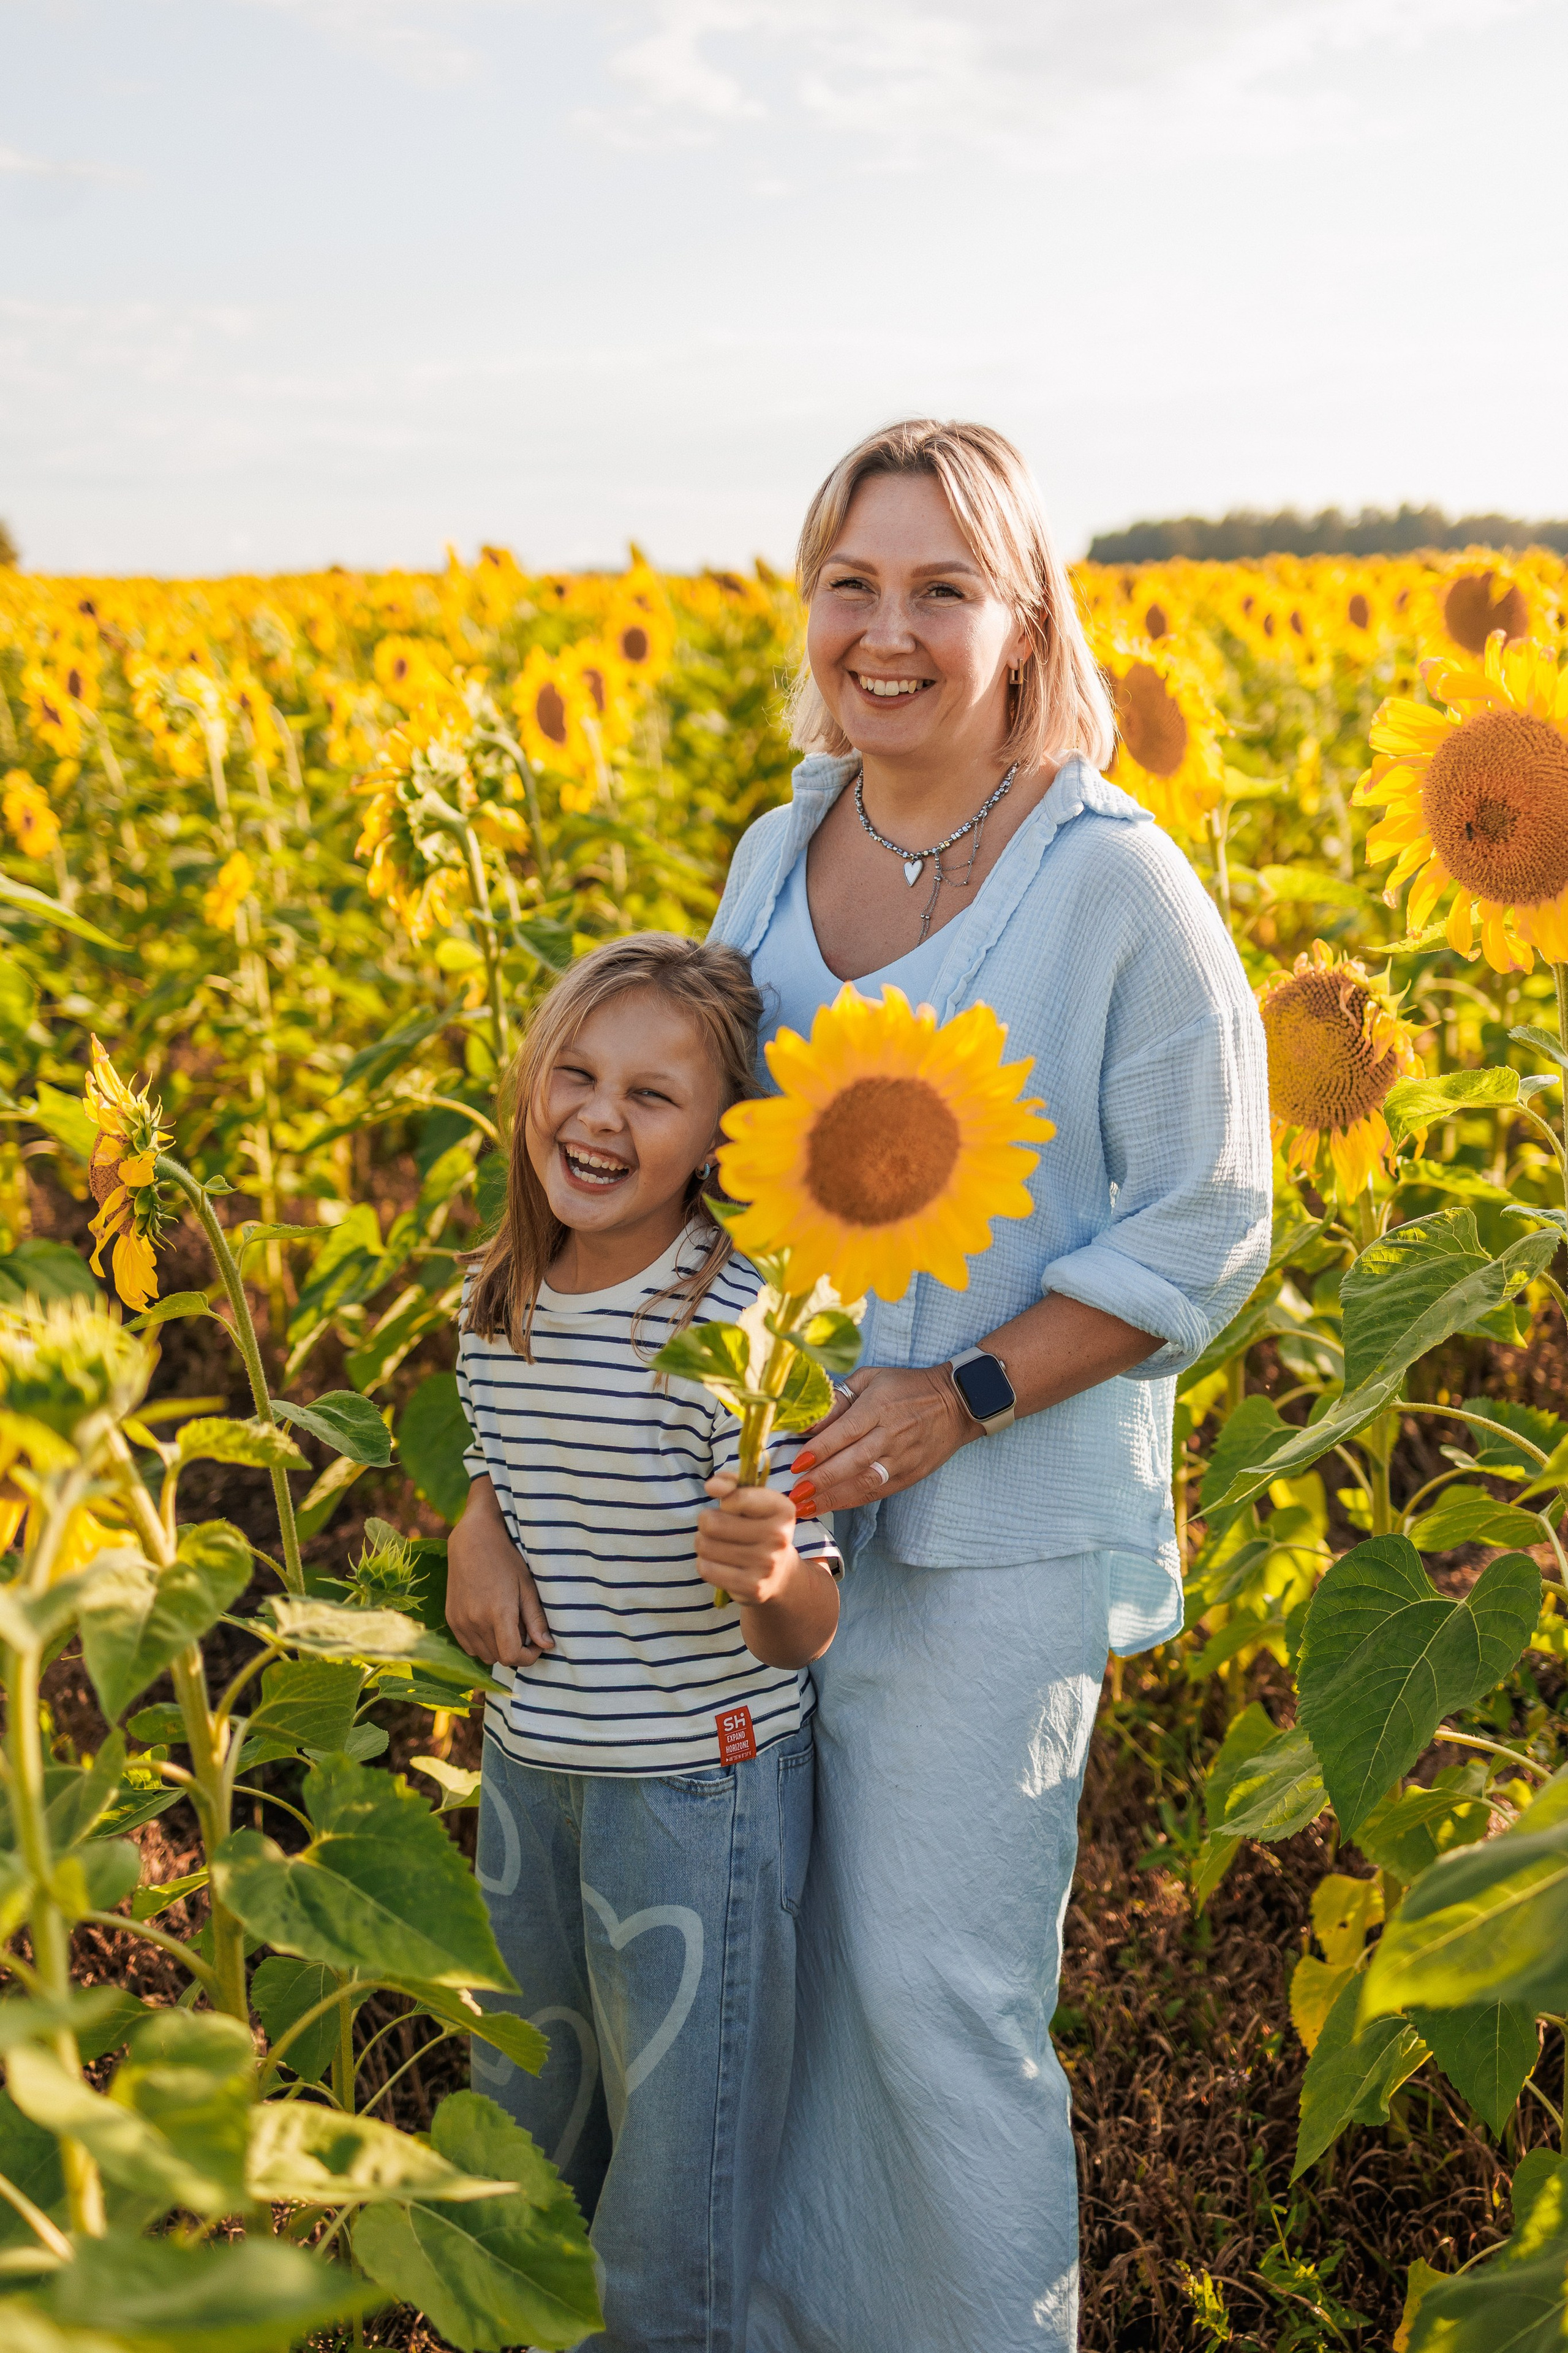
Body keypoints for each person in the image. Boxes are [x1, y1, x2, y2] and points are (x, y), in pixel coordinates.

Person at [709, 419, 1272, 2352]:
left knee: (934, 1989)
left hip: (1002, 1537)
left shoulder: (1114, 882)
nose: (890, 629)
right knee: (769, 1972)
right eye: (854, 583)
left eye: (943, 587)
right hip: (770, 1525)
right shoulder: (775, 851)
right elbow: (708, 1161)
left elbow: (1213, 1214)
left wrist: (963, 1394)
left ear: (1024, 625)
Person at [443, 933, 841, 2353]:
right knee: (523, 2115)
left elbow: (806, 1623)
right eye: (577, 1072)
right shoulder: (501, 1295)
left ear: (719, 1140)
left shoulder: (737, 1324)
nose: (598, 1116)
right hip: (530, 1776)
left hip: (693, 1791)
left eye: (650, 1096)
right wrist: (471, 1527)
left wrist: (772, 1571)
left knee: (680, 2169)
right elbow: (502, 1461)